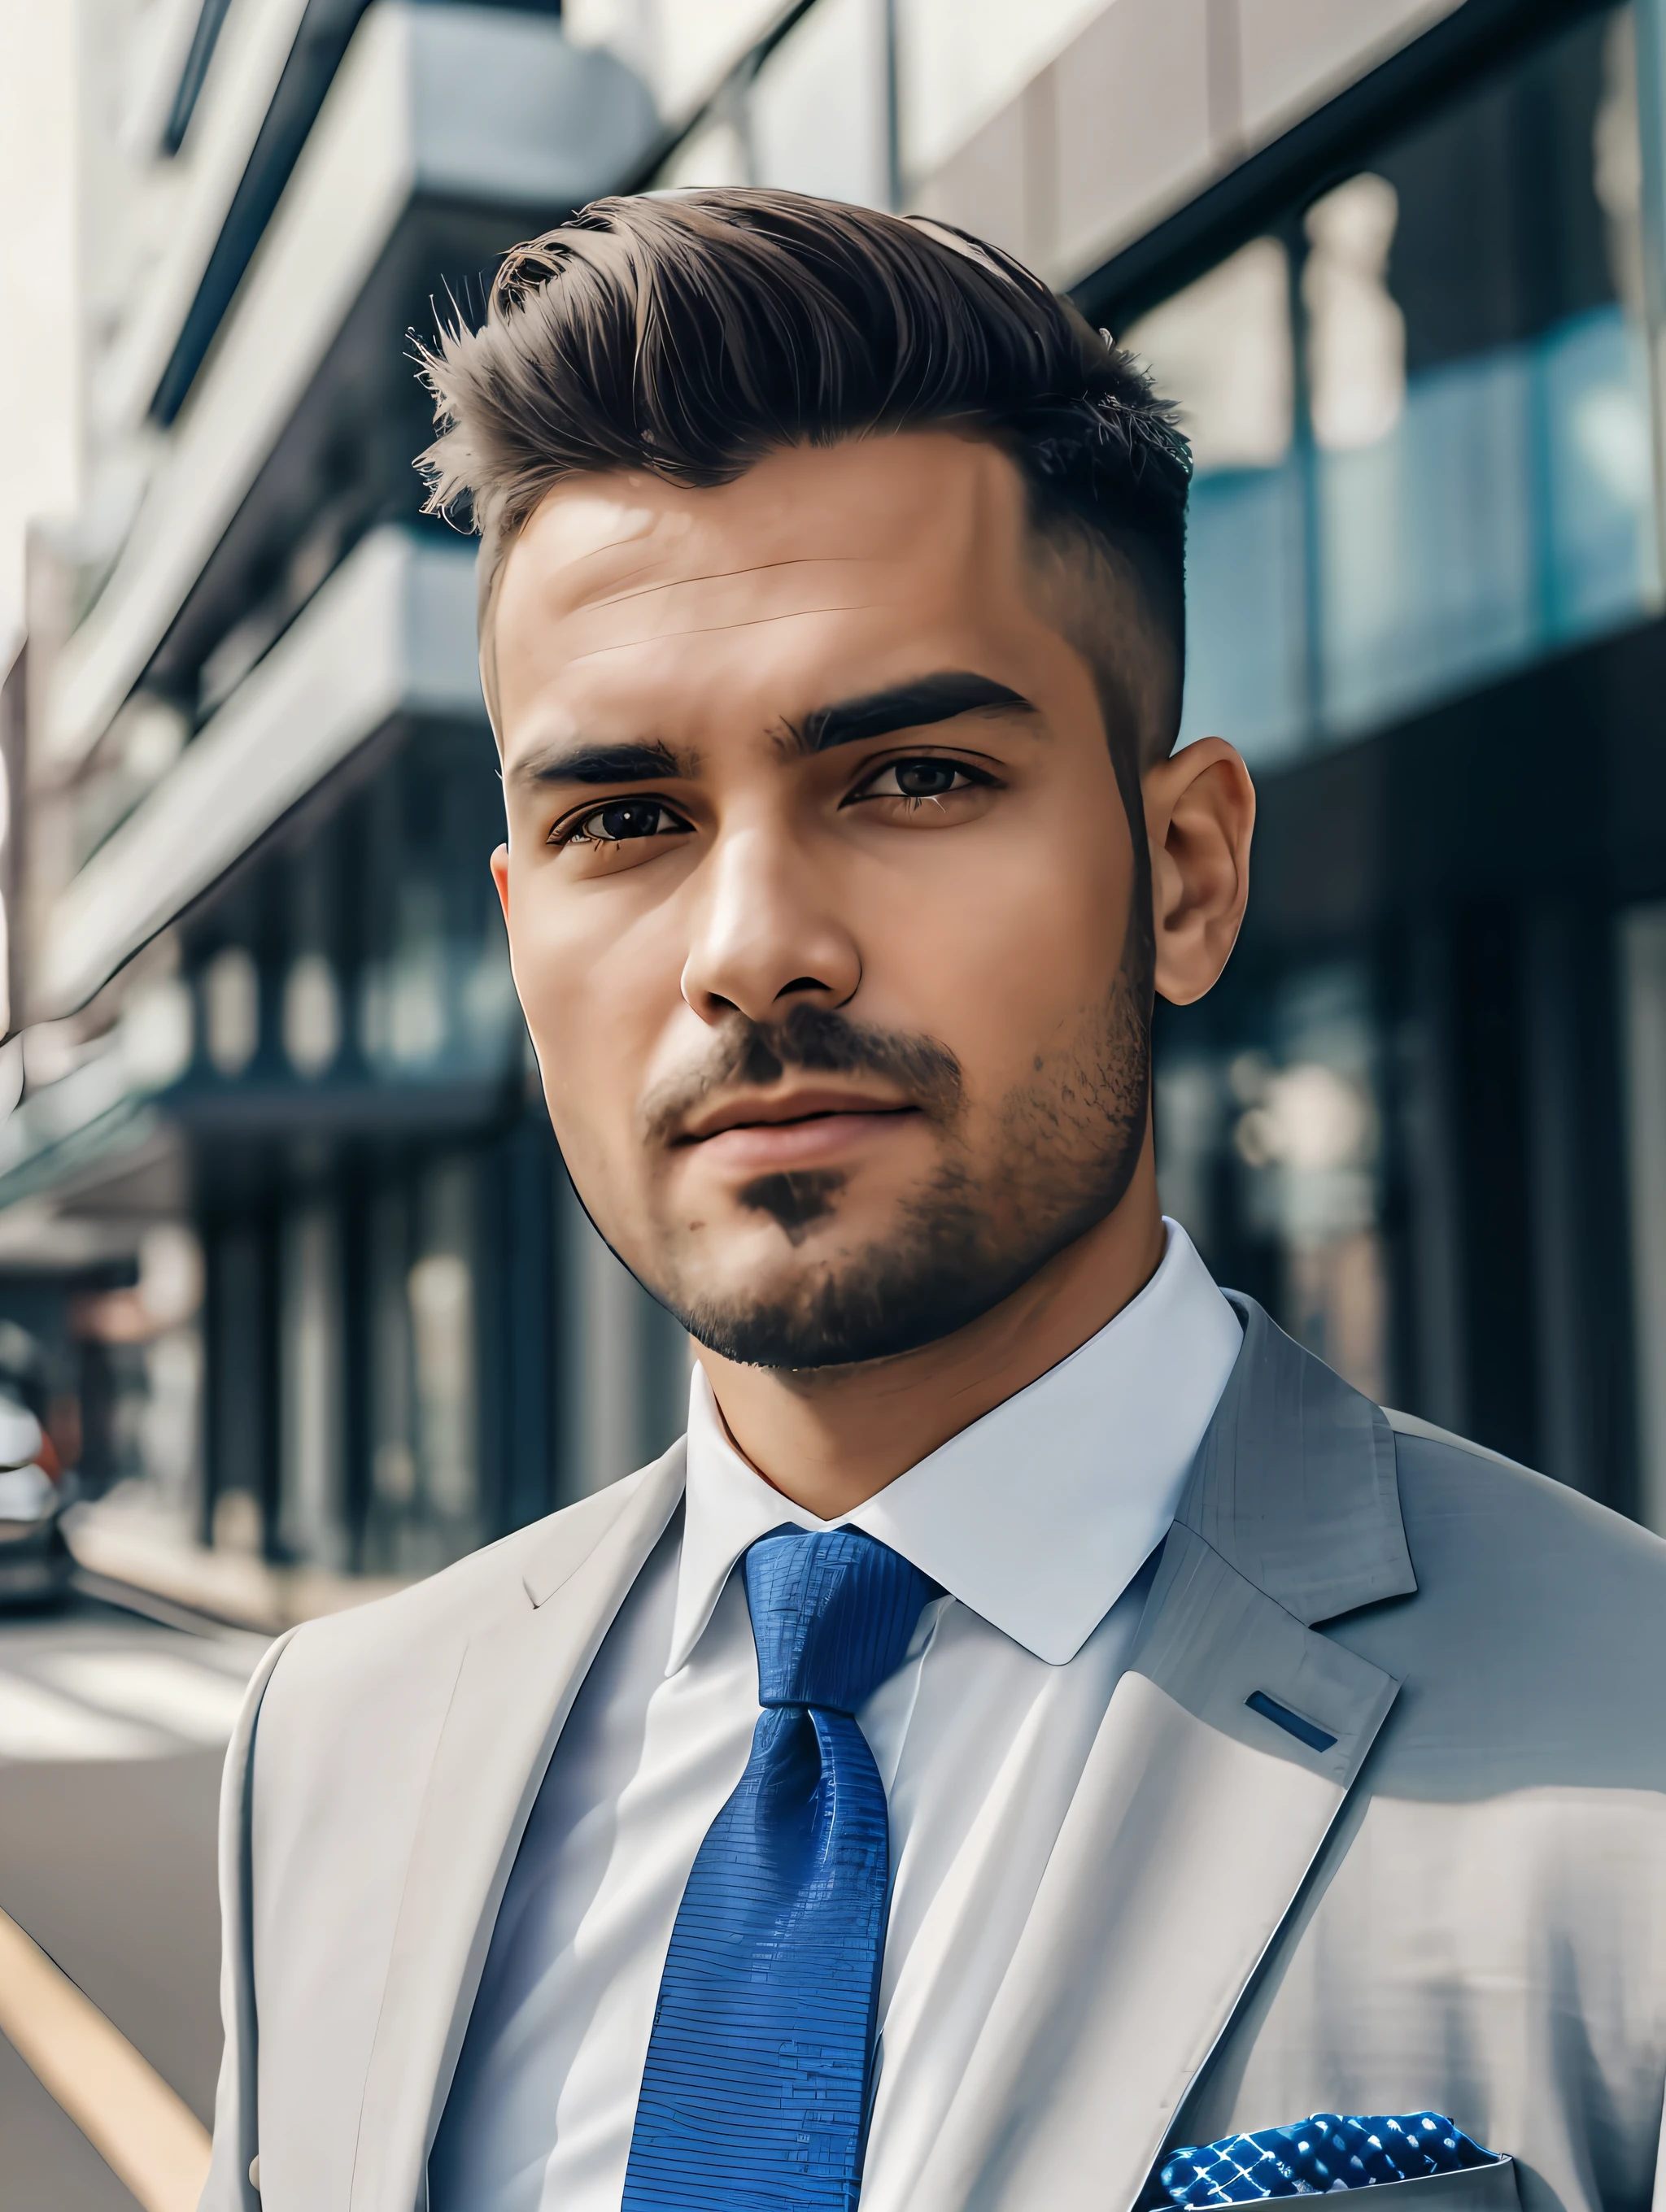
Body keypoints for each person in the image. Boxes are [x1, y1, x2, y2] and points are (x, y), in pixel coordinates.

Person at [200, 192, 1666, 2212]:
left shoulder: (1636, 1744)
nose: (754, 949)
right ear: (523, 929)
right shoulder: (333, 1750)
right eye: (625, 818)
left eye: (908, 780)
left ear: (1182, 873)